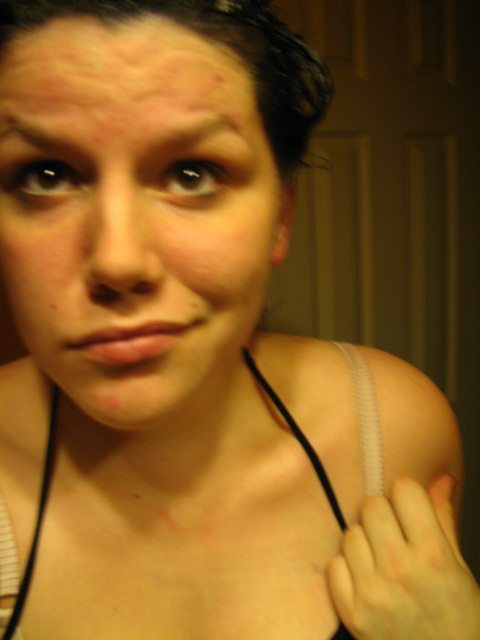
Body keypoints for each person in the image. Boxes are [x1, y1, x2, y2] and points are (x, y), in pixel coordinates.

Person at [0, 1, 478, 638]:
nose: (118, 260)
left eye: (191, 174)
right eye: (46, 175)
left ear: (282, 214)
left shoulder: (393, 429)